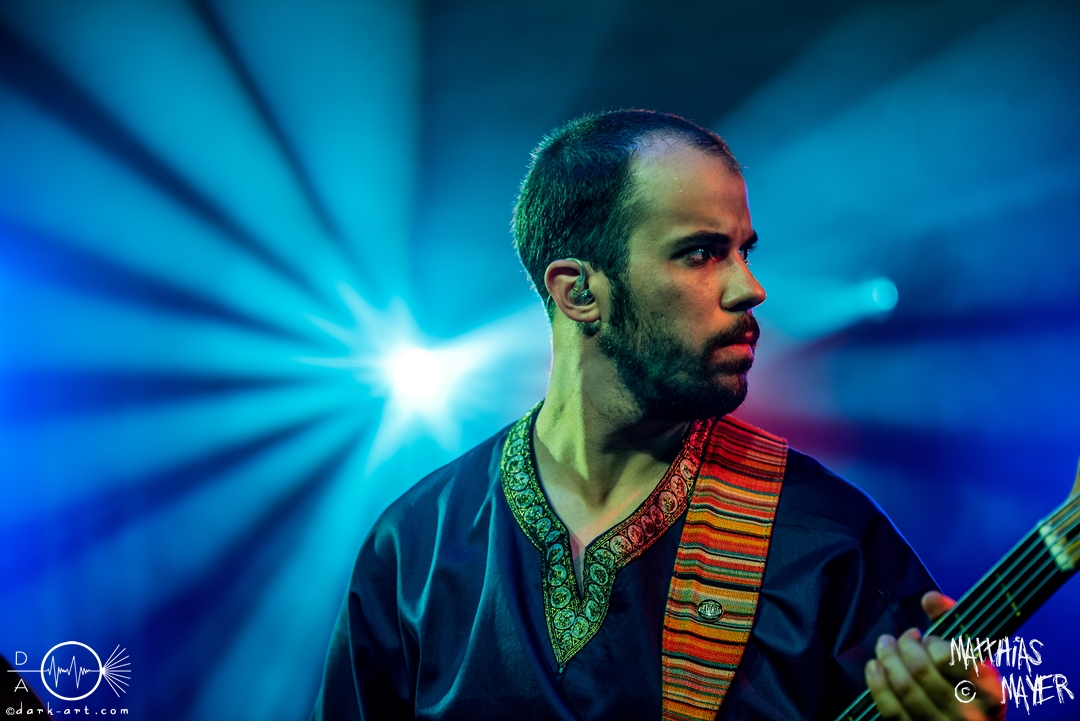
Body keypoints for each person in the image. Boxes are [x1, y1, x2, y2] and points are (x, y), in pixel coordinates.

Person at [310, 110, 1004, 720]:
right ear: (579, 291)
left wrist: (974, 712)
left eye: (743, 251)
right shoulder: (414, 548)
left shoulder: (830, 539)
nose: (750, 288)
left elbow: (961, 688)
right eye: (701, 253)